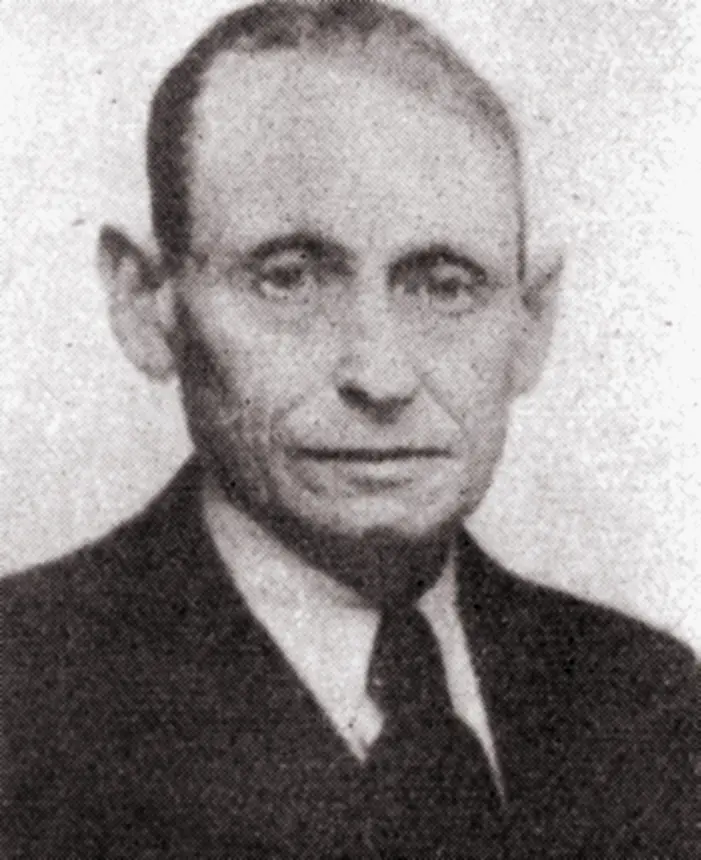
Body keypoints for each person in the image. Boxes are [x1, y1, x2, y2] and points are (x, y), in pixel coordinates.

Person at [1, 1, 698, 857]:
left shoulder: (645, 699)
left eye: (445, 286)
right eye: (289, 278)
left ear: (531, 323)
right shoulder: (22, 699)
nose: (380, 375)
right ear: (146, 304)